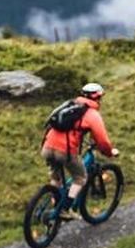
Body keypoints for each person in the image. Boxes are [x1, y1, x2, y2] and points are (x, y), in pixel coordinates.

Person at [40, 82, 120, 219]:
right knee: (80, 178)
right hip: (64, 151)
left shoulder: (69, 105)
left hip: (47, 147)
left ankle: (54, 204)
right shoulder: (92, 115)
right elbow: (102, 140)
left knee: (56, 177)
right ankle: (64, 209)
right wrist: (109, 152)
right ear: (98, 98)